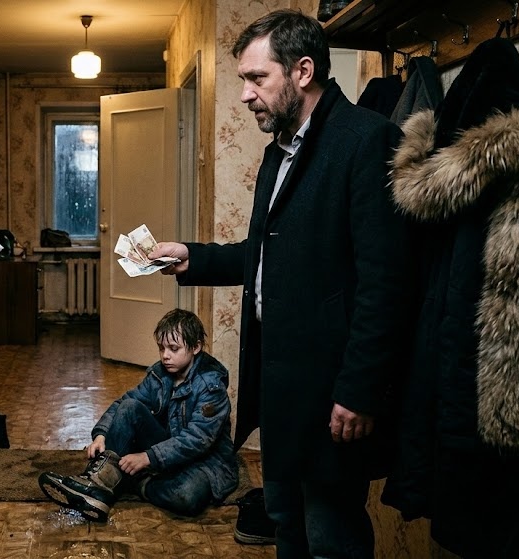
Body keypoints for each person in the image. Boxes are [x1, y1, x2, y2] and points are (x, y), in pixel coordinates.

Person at [149, 10, 408, 558]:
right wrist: (193, 257)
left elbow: (385, 284)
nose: (246, 94)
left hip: (331, 390)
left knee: (330, 534)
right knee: (286, 522)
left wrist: (358, 390)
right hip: (281, 385)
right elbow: (269, 255)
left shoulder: (366, 140)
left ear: (303, 71)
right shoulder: (281, 151)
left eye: (256, 78)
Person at [38, 308, 238, 521]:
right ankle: (94, 484)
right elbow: (123, 404)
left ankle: (130, 482)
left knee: (187, 495)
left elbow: (197, 440)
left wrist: (148, 457)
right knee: (129, 407)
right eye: (161, 348)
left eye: (173, 348)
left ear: (195, 347)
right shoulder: (160, 374)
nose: (165, 355)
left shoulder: (210, 385)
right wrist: (102, 434)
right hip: (166, 449)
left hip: (205, 461)